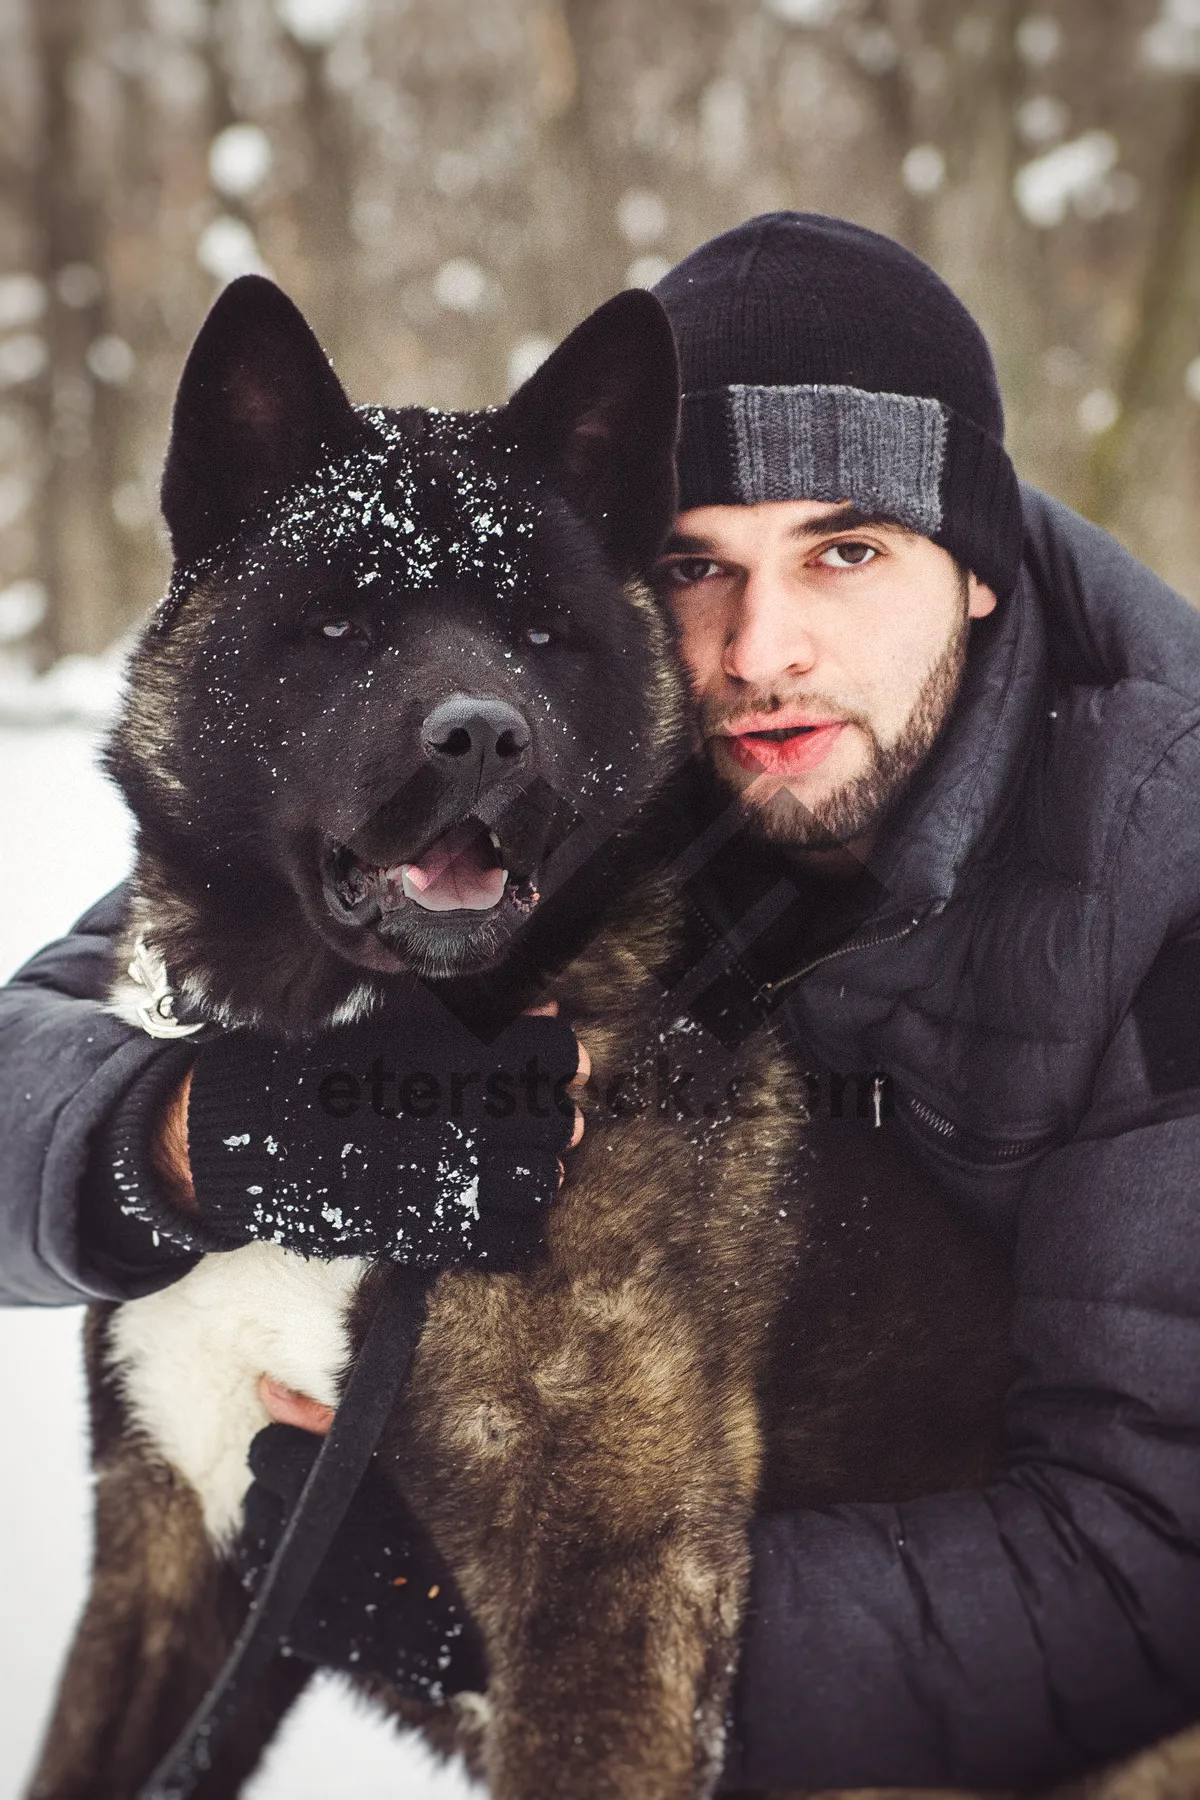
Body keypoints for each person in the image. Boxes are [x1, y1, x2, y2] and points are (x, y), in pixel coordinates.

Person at [3, 212, 1199, 1790]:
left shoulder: (1161, 872)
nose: (765, 651)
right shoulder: (567, 791)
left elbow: (1154, 1567)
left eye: (848, 550)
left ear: (970, 567)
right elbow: (47, 1055)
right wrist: (184, 1136)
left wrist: (536, 1620)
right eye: (700, 567)